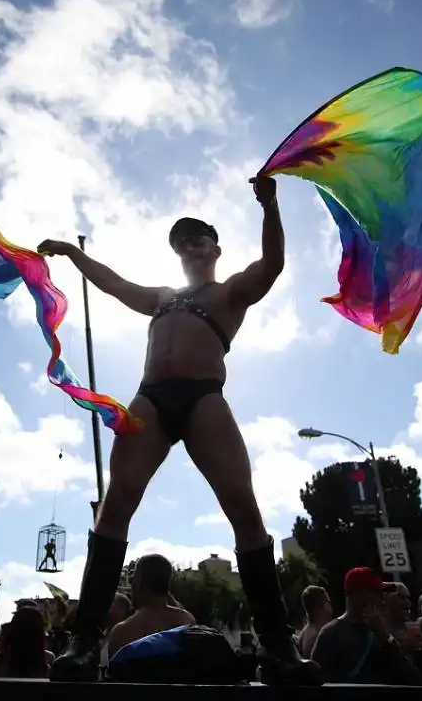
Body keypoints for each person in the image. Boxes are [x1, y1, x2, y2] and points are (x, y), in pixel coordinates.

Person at [41, 176, 320, 685]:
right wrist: (68, 253)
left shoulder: (229, 291)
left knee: (244, 509)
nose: (189, 245)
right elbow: (111, 282)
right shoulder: (163, 298)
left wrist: (270, 205)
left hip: (203, 397)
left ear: (214, 246)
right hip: (151, 397)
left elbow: (273, 264)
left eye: (197, 237)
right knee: (116, 504)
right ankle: (83, 642)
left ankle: (280, 648)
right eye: (181, 241)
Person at [311, 568, 422, 685]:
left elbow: (414, 679)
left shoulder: (380, 632)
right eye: (378, 593)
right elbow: (317, 686)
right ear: (362, 596)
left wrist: (386, 637)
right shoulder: (330, 635)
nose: (383, 598)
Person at [107, 554, 195, 659]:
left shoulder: (122, 632)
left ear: (139, 582)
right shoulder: (187, 621)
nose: (131, 584)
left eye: (132, 578)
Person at [296, 586, 332, 659]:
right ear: (323, 606)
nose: (330, 607)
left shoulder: (306, 632)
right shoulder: (317, 637)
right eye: (328, 602)